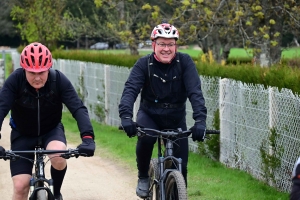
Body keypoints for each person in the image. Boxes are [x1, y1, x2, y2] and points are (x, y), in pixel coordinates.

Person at [119, 22, 207, 198]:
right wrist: (126, 117)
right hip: (150, 114)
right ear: (153, 45)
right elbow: (130, 90)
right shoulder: (144, 64)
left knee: (181, 167)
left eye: (170, 44)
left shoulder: (185, 63)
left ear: (176, 46)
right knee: (147, 138)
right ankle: (144, 175)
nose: (166, 48)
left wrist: (200, 121)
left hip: (175, 118)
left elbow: (195, 92)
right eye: (162, 44)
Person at [0, 42, 96, 200]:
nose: (37, 78)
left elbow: (77, 108)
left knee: (58, 156)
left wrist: (87, 138)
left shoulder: (58, 80)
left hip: (51, 130)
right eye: (31, 73)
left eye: (42, 72)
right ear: (24, 69)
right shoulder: (15, 81)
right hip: (22, 134)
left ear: (49, 68)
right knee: (20, 187)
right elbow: (1, 109)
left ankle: (56, 193)